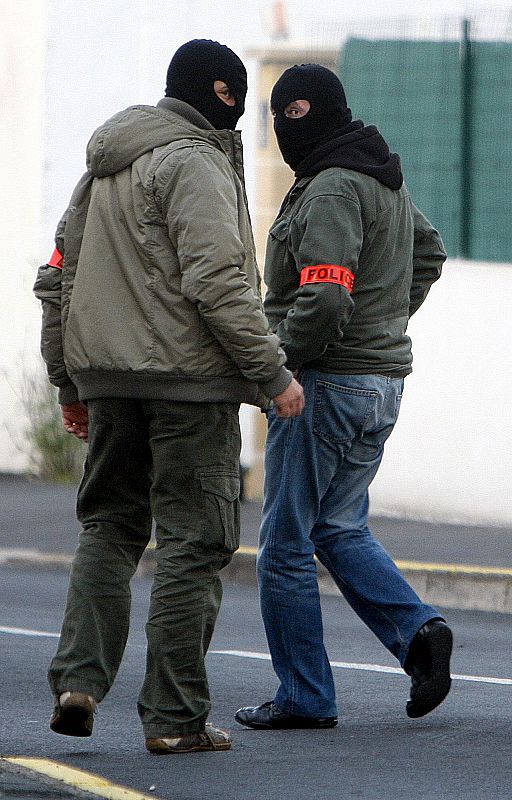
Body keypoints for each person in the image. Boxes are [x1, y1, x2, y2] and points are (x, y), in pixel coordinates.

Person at [33, 39, 304, 755]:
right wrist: (272, 375)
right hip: (190, 388)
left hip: (109, 383)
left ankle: (79, 682)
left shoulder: (101, 171)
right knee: (195, 541)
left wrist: (69, 382)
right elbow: (218, 283)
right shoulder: (195, 163)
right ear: (224, 96)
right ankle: (176, 718)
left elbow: (55, 280)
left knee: (110, 528)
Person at [235, 64, 452, 731]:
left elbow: (326, 295)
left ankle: (305, 695)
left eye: (286, 115)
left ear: (308, 116)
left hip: (325, 384)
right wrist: (384, 325)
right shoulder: (379, 174)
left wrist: (282, 367)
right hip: (381, 385)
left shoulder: (330, 186)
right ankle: (419, 633)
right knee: (338, 525)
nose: (281, 130)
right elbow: (430, 253)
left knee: (288, 542)